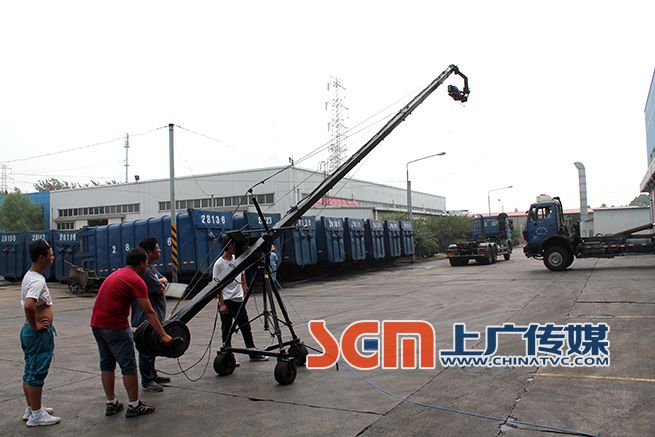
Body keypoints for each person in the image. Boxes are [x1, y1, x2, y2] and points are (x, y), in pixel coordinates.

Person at [90, 248, 173, 418]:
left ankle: (111, 403)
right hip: (115, 327)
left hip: (97, 325)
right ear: (142, 263)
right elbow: (149, 312)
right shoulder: (136, 280)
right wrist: (163, 335)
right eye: (146, 263)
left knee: (107, 365)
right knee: (128, 366)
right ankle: (134, 405)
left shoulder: (116, 274)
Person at [20, 239, 60, 427]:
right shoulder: (37, 280)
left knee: (29, 371)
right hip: (36, 334)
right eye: (50, 254)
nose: (53, 257)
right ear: (42, 257)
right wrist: (35, 325)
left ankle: (32, 408)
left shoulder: (29, 275)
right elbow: (29, 304)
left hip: (29, 332)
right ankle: (37, 416)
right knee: (37, 374)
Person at [212, 236, 268, 363]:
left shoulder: (237, 259)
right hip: (227, 300)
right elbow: (216, 285)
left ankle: (252, 352)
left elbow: (242, 274)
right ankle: (228, 356)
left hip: (238, 299)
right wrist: (221, 304)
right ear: (230, 246)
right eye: (235, 245)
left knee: (246, 327)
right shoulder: (219, 264)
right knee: (227, 330)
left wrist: (244, 288)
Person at [130, 237, 170, 393]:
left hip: (155, 316)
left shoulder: (152, 269)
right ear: (149, 252)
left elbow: (164, 280)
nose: (160, 250)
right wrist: (160, 283)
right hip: (145, 318)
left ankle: (152, 375)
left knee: (152, 346)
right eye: (157, 248)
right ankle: (147, 380)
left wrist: (161, 282)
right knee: (146, 348)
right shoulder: (145, 271)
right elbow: (159, 288)